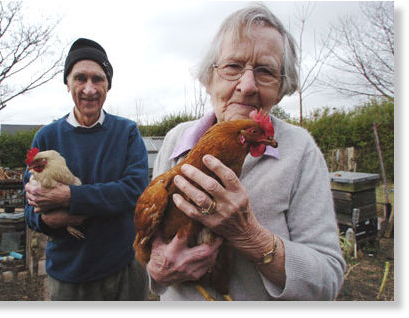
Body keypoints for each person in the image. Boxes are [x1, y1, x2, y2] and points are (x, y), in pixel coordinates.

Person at [146, 4, 345, 300]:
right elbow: (150, 243)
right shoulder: (177, 139)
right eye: (233, 67)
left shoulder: (300, 150)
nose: (247, 86)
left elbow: (327, 280)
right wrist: (157, 271)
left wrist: (249, 235)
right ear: (209, 78)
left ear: (281, 87)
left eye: (265, 71)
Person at [23, 38, 149, 301]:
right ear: (67, 83)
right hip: (69, 273)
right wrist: (47, 220)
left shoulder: (126, 132)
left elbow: (135, 191)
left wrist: (70, 197)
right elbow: (29, 209)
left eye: (98, 79)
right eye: (80, 78)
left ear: (108, 85)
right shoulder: (46, 137)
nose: (89, 89)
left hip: (123, 266)